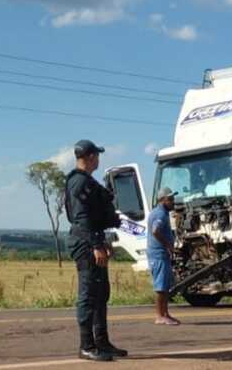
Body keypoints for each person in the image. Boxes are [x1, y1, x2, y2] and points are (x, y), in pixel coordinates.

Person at [65, 140, 127, 361]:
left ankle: (102, 342)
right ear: (90, 157)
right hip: (85, 244)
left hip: (94, 240)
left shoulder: (87, 182)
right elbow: (82, 219)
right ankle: (86, 345)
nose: (99, 159)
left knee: (101, 294)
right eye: (97, 155)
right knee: (88, 295)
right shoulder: (79, 182)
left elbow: (96, 216)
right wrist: (96, 245)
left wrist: (103, 239)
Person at [147, 187, 179, 326]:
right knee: (160, 286)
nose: (173, 201)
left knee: (165, 286)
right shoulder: (159, 214)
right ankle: (159, 315)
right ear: (162, 200)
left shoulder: (163, 213)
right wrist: (167, 245)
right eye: (170, 199)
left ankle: (165, 314)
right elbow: (155, 231)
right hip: (158, 254)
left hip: (163, 254)